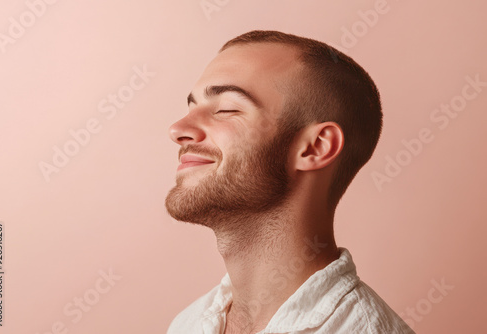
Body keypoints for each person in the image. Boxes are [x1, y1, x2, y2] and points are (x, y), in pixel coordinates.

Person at [165, 30, 414, 334]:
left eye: (226, 109)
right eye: (191, 108)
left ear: (315, 147)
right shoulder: (188, 324)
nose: (178, 129)